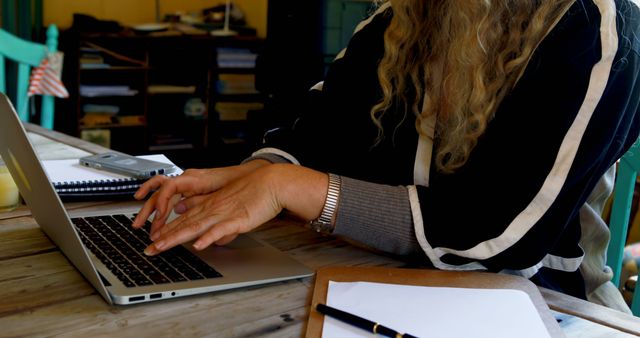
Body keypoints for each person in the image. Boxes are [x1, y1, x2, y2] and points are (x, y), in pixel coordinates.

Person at [132, 0, 640, 313]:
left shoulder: (597, 29)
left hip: (547, 304)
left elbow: (498, 232)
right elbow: (315, 131)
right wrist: (255, 175)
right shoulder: (407, 17)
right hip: (380, 280)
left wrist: (289, 188)